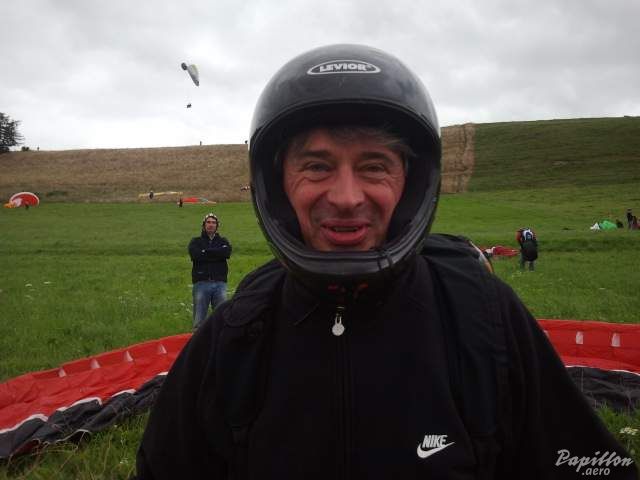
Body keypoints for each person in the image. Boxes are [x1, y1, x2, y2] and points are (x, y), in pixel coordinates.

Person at [136, 44, 636, 479]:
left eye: (374, 166)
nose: (347, 197)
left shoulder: (484, 320)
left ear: (411, 185)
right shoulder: (233, 339)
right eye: (317, 166)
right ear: (278, 187)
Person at [188, 213, 232, 330]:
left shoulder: (223, 241)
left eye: (213, 223)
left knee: (221, 317)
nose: (211, 225)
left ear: (217, 226)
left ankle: (220, 338)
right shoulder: (195, 242)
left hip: (220, 283)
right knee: (199, 319)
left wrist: (205, 252)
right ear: (204, 225)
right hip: (201, 283)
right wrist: (217, 253)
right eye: (208, 222)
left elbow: (226, 253)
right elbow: (195, 255)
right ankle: (198, 339)